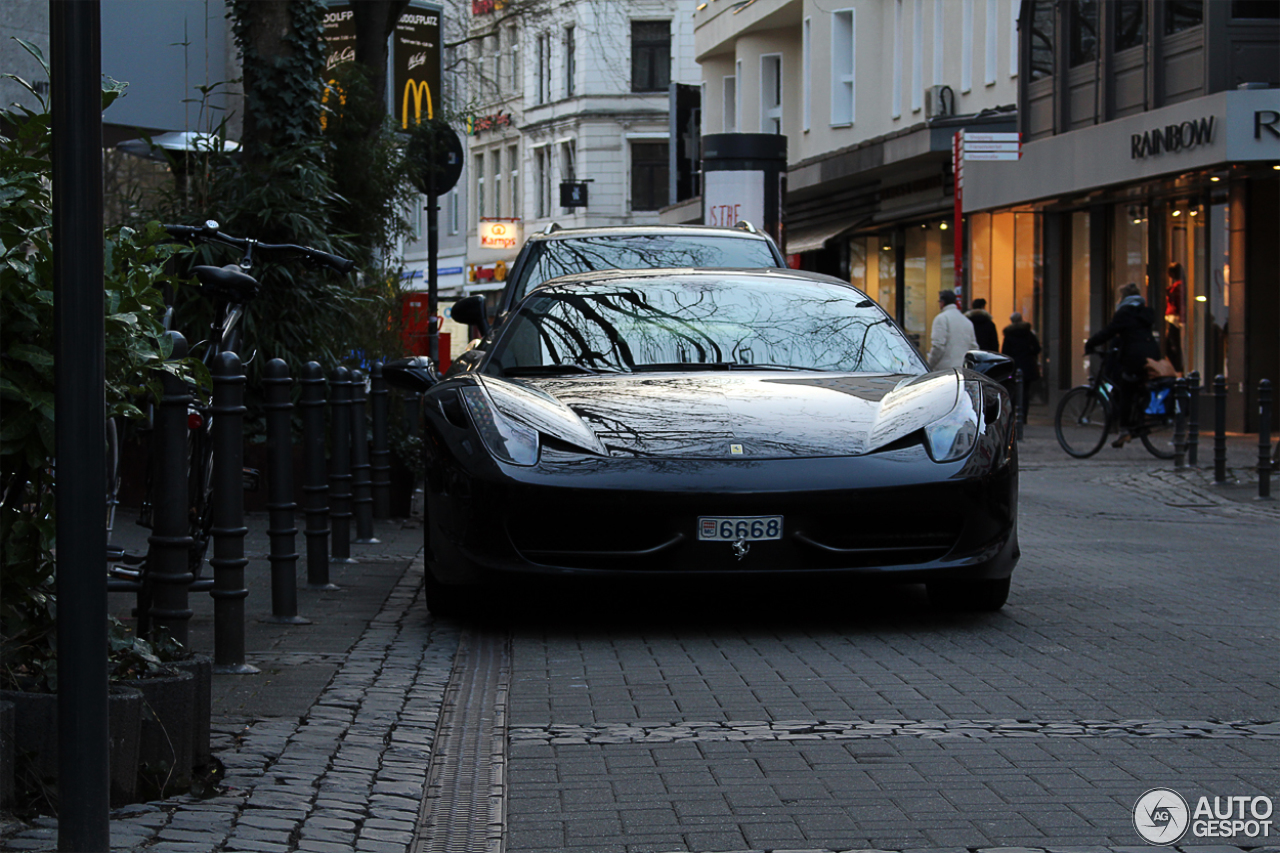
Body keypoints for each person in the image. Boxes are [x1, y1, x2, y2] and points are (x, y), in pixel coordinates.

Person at [1085, 282, 1161, 447]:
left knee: (1125, 389)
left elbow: (1109, 331)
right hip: (1151, 354)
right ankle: (1138, 419)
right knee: (1135, 387)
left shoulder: (1124, 313)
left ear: (1124, 297)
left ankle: (1125, 430)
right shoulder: (1144, 312)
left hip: (1134, 357)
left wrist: (1091, 343)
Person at [1000, 312, 1041, 422]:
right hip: (1027, 366)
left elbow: (1005, 352)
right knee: (1025, 393)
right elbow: (1037, 348)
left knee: (1014, 392)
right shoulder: (1028, 333)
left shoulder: (1009, 335)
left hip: (1014, 366)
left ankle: (1013, 416)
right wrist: (1029, 353)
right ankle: (1024, 417)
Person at [928, 289, 978, 371]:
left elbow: (938, 346)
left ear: (942, 303)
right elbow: (974, 347)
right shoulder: (966, 321)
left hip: (944, 370)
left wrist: (929, 365)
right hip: (963, 370)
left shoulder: (941, 319)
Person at [1164, 262, 1185, 374]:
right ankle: (1177, 367)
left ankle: (1178, 368)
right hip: (1173, 317)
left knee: (1172, 343)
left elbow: (1177, 302)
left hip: (1175, 318)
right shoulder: (1177, 285)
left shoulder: (1178, 286)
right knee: (1172, 343)